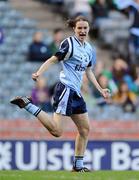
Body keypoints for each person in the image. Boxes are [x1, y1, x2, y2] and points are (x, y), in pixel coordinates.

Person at [10, 16, 111, 172]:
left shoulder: (89, 49)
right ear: (74, 29)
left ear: (89, 29)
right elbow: (53, 59)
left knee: (85, 130)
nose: (83, 31)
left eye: (85, 28)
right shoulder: (69, 44)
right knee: (57, 131)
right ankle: (28, 104)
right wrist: (38, 73)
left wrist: (100, 89)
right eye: (80, 28)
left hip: (76, 93)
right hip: (65, 89)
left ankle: (78, 167)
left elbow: (88, 71)